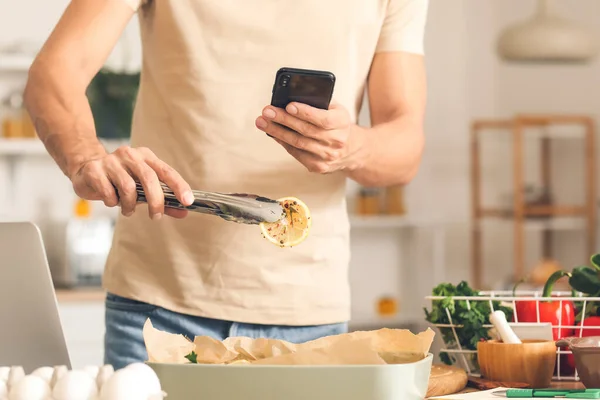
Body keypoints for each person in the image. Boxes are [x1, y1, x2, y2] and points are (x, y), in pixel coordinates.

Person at [24, 0, 429, 369]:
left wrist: (351, 147)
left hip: (306, 318)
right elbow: (54, 74)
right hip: (158, 308)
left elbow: (405, 144)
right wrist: (85, 156)